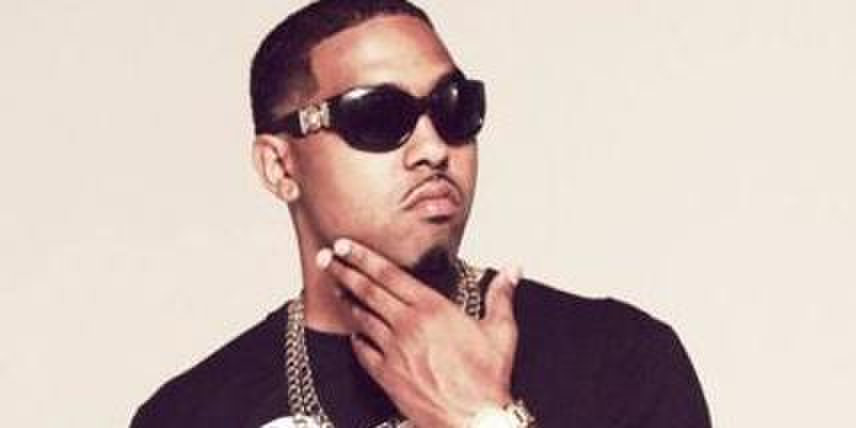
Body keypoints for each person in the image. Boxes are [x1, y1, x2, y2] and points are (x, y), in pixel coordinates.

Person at [131, 1, 711, 427]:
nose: (434, 148)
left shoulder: (620, 359)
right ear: (280, 165)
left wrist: (482, 417)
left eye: (454, 109)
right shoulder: (189, 415)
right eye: (378, 117)